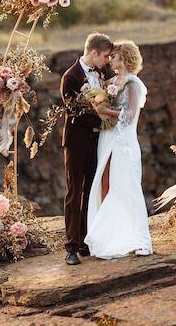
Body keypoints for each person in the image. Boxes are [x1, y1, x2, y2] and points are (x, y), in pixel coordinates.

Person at [84, 39, 153, 259]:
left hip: (124, 140)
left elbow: (131, 116)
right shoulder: (111, 82)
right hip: (107, 137)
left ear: (123, 57)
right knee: (105, 184)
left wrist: (106, 111)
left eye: (113, 56)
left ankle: (140, 241)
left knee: (127, 187)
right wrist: (99, 106)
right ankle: (110, 238)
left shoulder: (133, 83)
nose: (109, 59)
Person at [60, 32, 114, 265]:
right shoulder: (70, 77)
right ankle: (71, 247)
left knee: (92, 192)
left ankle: (85, 240)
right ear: (94, 53)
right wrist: (104, 120)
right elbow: (75, 113)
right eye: (105, 56)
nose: (107, 61)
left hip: (98, 142)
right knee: (75, 193)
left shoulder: (104, 73)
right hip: (77, 142)